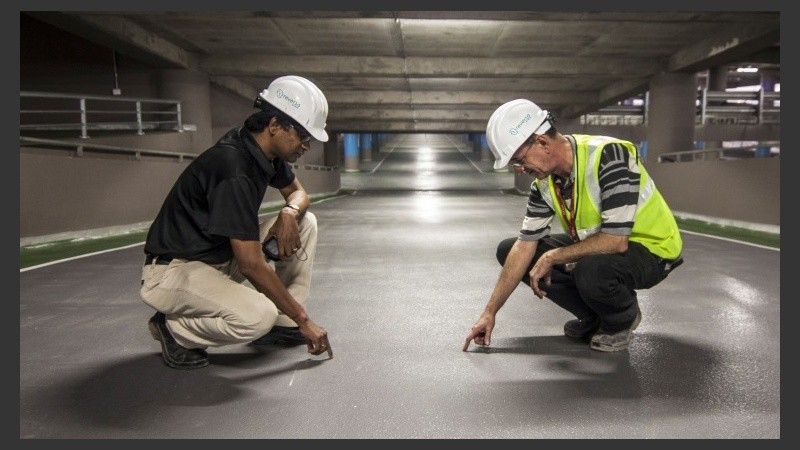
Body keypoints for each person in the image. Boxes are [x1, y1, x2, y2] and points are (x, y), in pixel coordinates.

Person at [140, 75, 333, 369]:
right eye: (303, 135)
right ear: (274, 126)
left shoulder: (262, 151)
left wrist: (289, 212)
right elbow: (251, 264)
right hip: (174, 271)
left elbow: (299, 194)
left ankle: (283, 321)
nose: (306, 145)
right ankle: (175, 330)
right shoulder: (233, 169)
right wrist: (304, 320)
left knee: (306, 222)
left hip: (216, 258)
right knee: (257, 318)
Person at [463, 99, 683, 353]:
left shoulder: (609, 155)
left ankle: (620, 319)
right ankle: (594, 316)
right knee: (510, 250)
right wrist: (489, 312)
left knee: (590, 269)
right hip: (606, 247)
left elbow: (616, 241)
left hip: (652, 250)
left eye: (519, 160)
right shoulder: (545, 184)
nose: (520, 170)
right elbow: (525, 246)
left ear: (542, 142)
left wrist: (555, 256)